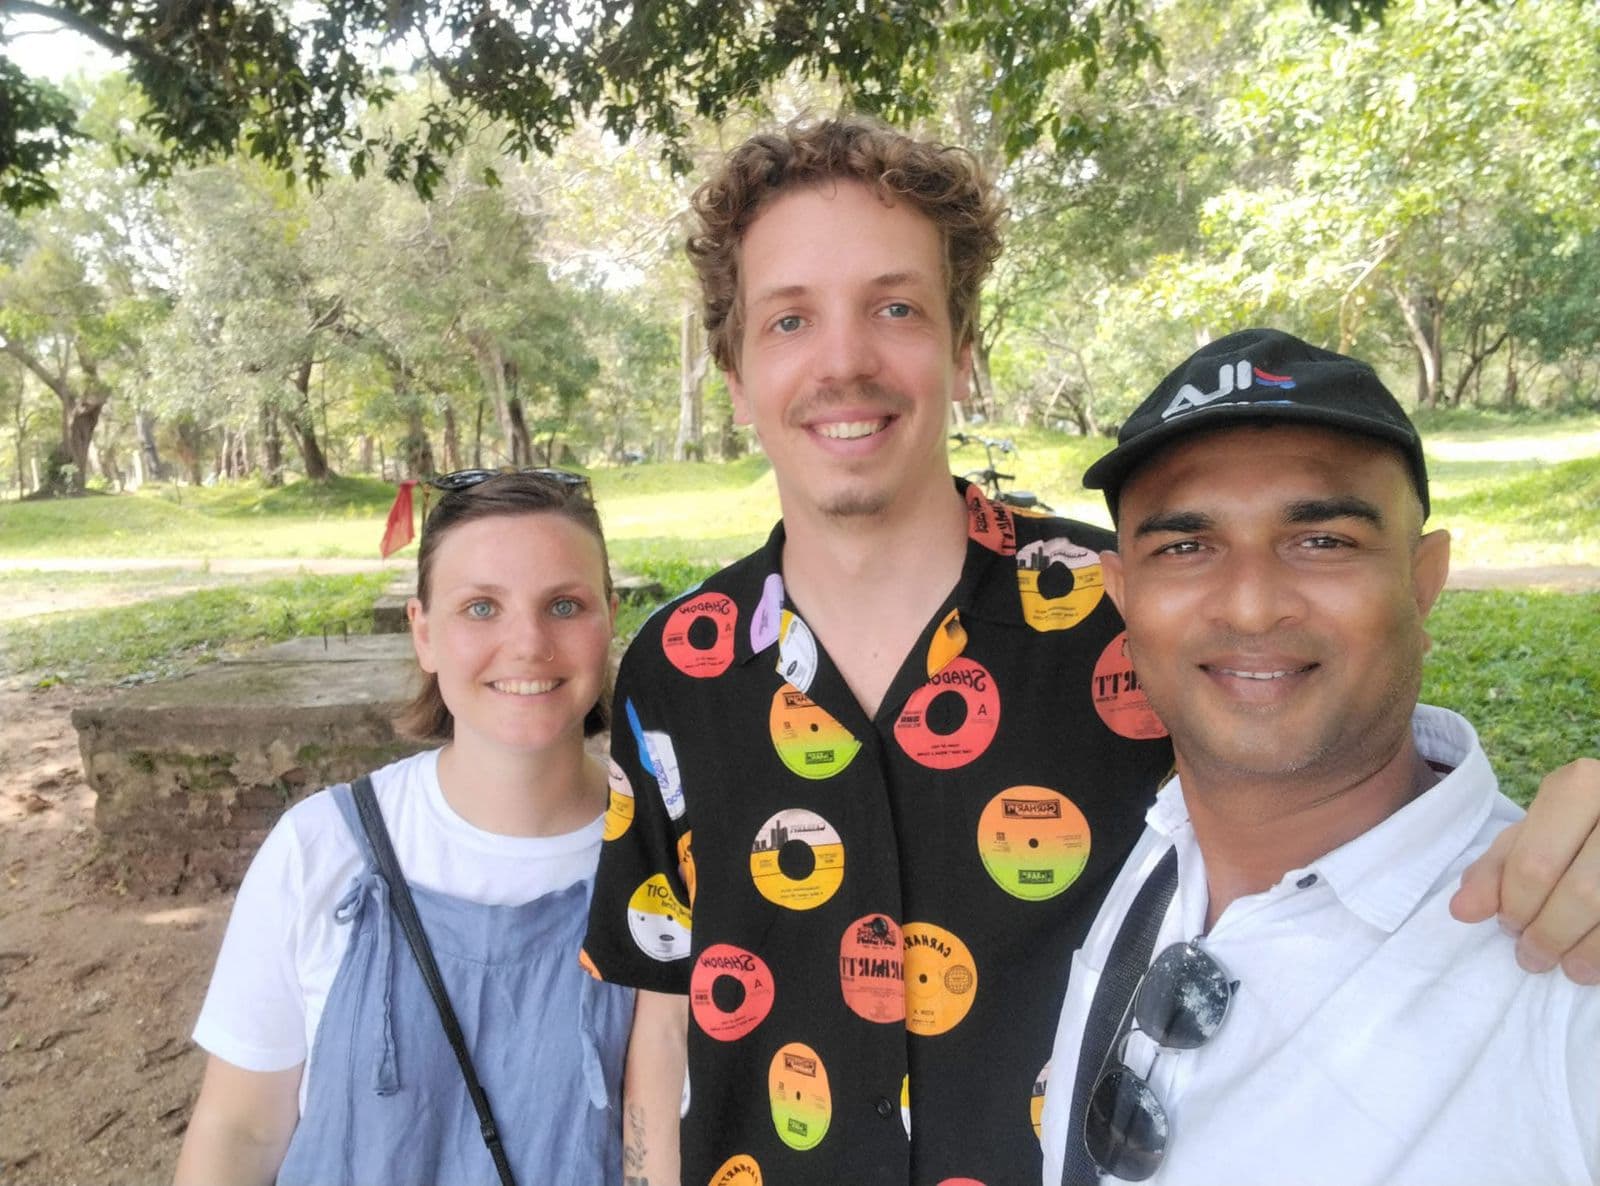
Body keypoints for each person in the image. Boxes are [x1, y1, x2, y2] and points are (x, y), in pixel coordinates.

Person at [580, 117, 1600, 1186]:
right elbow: (665, 1005)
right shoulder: (675, 668)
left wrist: (1562, 843)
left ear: (962, 350)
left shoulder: (1138, 615)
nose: (844, 361)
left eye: (896, 307)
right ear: (736, 375)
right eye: (790, 319)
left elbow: (1347, 787)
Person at [1040, 329, 1599, 1186]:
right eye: (1184, 547)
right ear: (1125, 597)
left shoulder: (1561, 968)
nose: (1251, 607)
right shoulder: (1161, 840)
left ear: (1423, 580)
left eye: (1323, 541)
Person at [175, 470, 635, 1186]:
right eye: (481, 607)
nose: (527, 643)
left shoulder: (671, 856)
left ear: (609, 621)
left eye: (564, 605)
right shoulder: (319, 849)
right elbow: (240, 1131)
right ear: (423, 633)